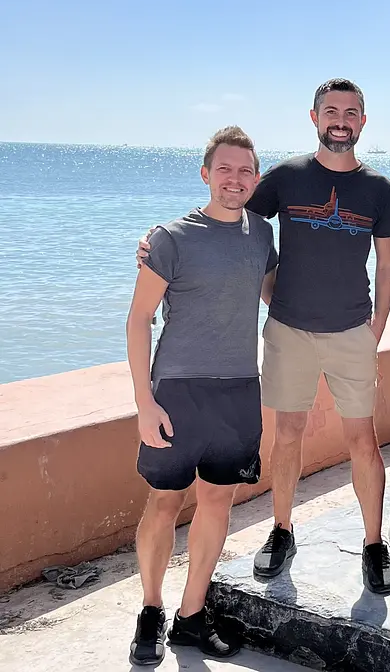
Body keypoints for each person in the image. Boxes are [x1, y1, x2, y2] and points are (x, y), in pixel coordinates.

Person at [136, 78, 390, 595]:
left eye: (350, 112)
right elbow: (229, 222)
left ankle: (373, 543)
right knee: (287, 435)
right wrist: (157, 242)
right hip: (286, 331)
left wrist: (376, 328)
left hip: (352, 331)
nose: (340, 120)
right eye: (331, 111)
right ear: (314, 117)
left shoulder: (380, 190)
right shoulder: (283, 179)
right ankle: (282, 531)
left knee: (363, 441)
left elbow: (388, 264)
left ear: (363, 122)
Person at [125, 126, 278, 666]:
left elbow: (276, 296)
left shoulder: (262, 235)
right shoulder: (170, 237)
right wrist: (145, 401)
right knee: (165, 501)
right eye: (224, 169)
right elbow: (140, 319)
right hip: (177, 392)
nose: (234, 180)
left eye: (244, 171)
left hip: (238, 389)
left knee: (217, 501)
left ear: (255, 179)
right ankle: (151, 609)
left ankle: (191, 616)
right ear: (206, 174)